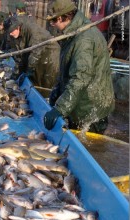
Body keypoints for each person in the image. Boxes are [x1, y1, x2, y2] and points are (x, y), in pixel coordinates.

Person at [44, 0, 115, 133]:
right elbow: (68, 68)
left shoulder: (83, 39)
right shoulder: (74, 34)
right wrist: (58, 90)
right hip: (81, 101)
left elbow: (80, 77)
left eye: (53, 22)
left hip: (91, 107)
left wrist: (60, 108)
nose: (52, 25)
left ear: (60, 18)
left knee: (88, 148)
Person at [7, 17, 60, 97]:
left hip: (50, 54)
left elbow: (35, 53)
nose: (11, 34)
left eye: (12, 31)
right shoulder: (15, 35)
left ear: (18, 27)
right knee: (34, 79)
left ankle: (47, 102)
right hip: (37, 55)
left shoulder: (33, 30)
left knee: (46, 81)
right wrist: (15, 75)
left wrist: (28, 71)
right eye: (9, 32)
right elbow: (19, 56)